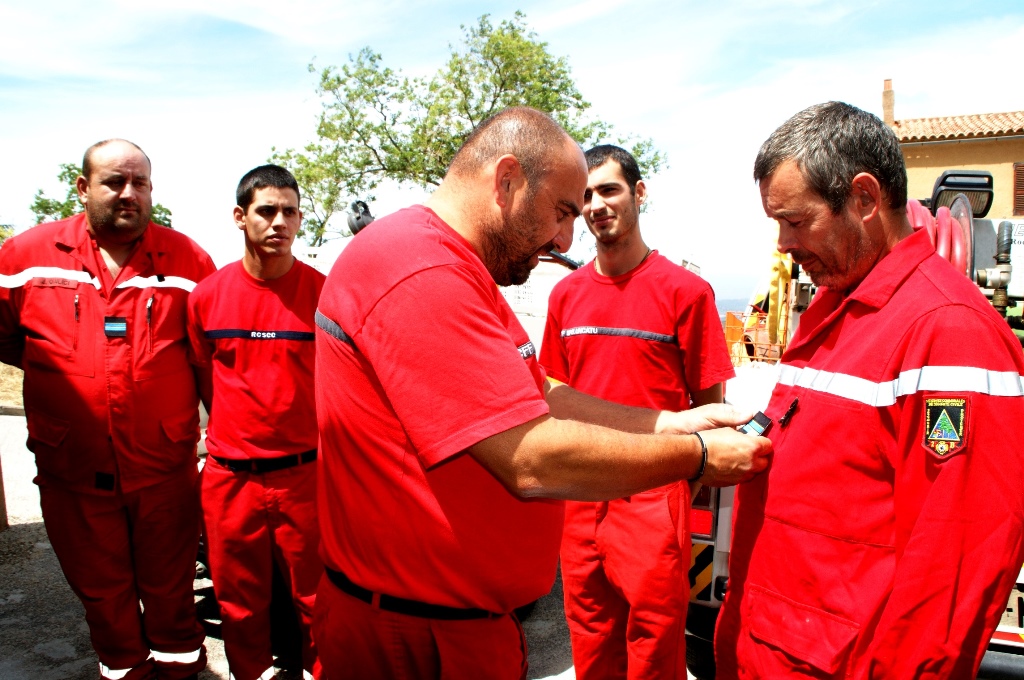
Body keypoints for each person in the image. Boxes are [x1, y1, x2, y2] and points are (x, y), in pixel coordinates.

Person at [312, 106, 772, 679]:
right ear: (506, 180)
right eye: (560, 212)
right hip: (415, 638)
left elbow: (540, 389)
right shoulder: (420, 268)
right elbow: (530, 460)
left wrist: (665, 424)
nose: (564, 238)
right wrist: (698, 457)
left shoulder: (460, 267)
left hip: (456, 624)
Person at [715, 102, 1024, 679]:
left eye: (795, 221)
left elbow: (952, 569)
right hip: (772, 647)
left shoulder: (948, 331)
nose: (783, 244)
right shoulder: (837, 307)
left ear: (863, 199)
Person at [0, 139, 213, 680]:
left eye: (139, 183)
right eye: (115, 182)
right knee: (102, 594)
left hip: (163, 470)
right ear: (83, 188)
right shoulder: (24, 259)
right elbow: (7, 340)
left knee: (171, 592)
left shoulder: (188, 262)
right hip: (71, 468)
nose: (128, 194)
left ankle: (180, 669)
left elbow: (209, 358)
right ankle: (123, 669)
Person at [539, 144, 734, 679]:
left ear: (639, 193)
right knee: (591, 638)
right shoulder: (566, 297)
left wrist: (674, 486)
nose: (596, 205)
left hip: (652, 498)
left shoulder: (687, 292)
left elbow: (710, 409)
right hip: (581, 495)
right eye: (585, 196)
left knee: (653, 647)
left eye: (609, 189)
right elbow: (554, 393)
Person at [187, 164, 324, 680]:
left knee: (316, 598)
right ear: (241, 217)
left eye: (290, 212)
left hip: (304, 477)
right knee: (239, 603)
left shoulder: (322, 294)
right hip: (229, 478)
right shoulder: (206, 297)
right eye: (267, 211)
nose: (279, 222)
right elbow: (204, 381)